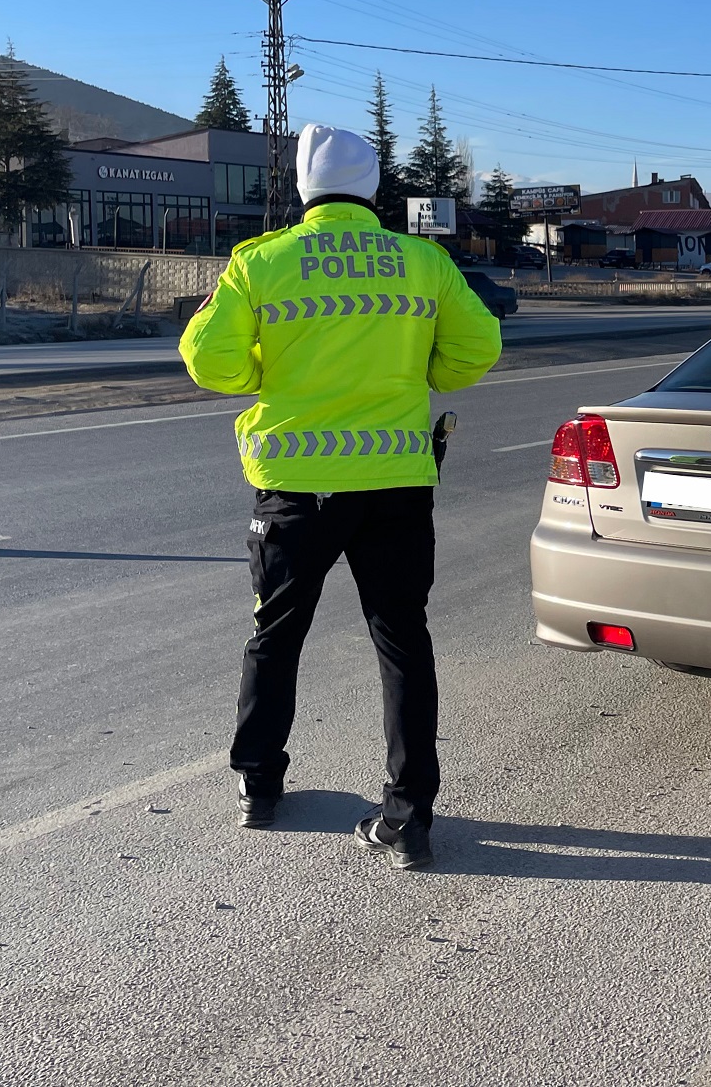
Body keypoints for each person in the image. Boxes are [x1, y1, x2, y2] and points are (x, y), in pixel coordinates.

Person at [179, 123, 501, 870]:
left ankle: (259, 784)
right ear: (374, 189)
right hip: (395, 483)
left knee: (276, 633)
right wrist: (426, 371)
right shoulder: (422, 261)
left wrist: (271, 375)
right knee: (402, 641)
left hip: (298, 487)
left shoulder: (262, 261)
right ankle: (409, 817)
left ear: (301, 187)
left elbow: (208, 358)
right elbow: (476, 348)